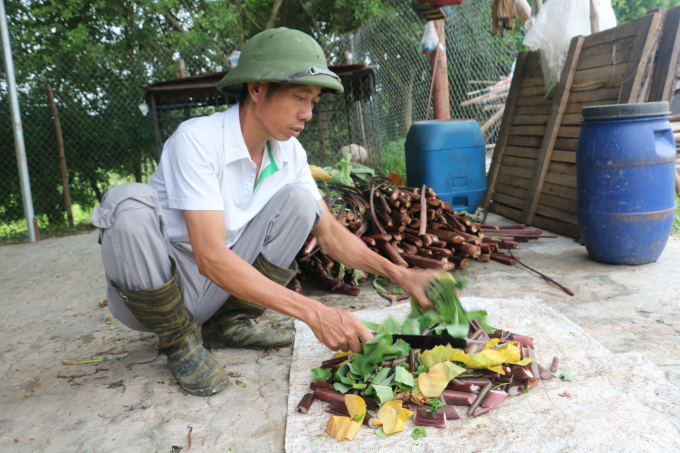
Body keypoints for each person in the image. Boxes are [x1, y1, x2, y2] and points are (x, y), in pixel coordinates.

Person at [90, 28, 434, 397]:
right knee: (126, 202)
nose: (308, 113)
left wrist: (401, 274)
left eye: (314, 101)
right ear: (256, 89)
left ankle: (228, 322)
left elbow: (331, 233)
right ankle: (178, 342)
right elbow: (210, 258)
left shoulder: (289, 153)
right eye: (300, 97)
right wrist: (315, 313)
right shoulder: (197, 140)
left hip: (217, 292)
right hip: (161, 291)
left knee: (301, 203)